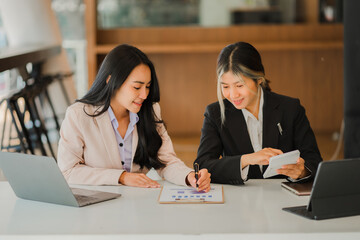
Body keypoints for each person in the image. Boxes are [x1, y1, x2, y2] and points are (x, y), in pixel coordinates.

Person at [57, 44, 211, 192]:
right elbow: (67, 171)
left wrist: (189, 176)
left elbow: (166, 162)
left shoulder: (151, 111)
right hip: (96, 207)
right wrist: (122, 177)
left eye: (148, 86)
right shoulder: (78, 115)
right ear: (111, 81)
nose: (144, 95)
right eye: (137, 87)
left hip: (136, 204)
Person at [194, 42, 322, 185]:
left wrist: (302, 171)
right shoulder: (215, 113)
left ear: (259, 79)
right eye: (225, 86)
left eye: (239, 85)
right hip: (239, 200)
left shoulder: (290, 109)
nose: (233, 94)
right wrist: (247, 159)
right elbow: (202, 165)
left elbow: (315, 162)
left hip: (282, 197)